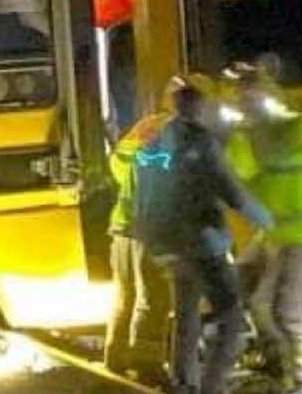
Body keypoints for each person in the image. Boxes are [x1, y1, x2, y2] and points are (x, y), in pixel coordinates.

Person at [131, 75, 272, 394]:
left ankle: (184, 384)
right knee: (232, 316)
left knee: (185, 314)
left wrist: (147, 235)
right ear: (199, 107)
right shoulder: (201, 143)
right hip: (202, 242)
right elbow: (232, 193)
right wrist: (268, 220)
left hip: (167, 244)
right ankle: (211, 385)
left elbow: (143, 188)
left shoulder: (154, 143)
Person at [225, 65, 302, 394]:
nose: (245, 98)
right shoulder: (247, 137)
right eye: (242, 93)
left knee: (290, 312)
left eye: (250, 92)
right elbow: (239, 179)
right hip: (277, 232)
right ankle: (278, 362)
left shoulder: (293, 126)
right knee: (256, 298)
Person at [104, 75, 214, 385]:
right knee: (153, 298)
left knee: (125, 295)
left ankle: (116, 356)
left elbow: (119, 163)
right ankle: (146, 364)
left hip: (124, 224)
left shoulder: (148, 124)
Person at [91, 0, 137, 138]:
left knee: (119, 88)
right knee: (129, 85)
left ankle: (124, 135)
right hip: (132, 23)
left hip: (119, 27)